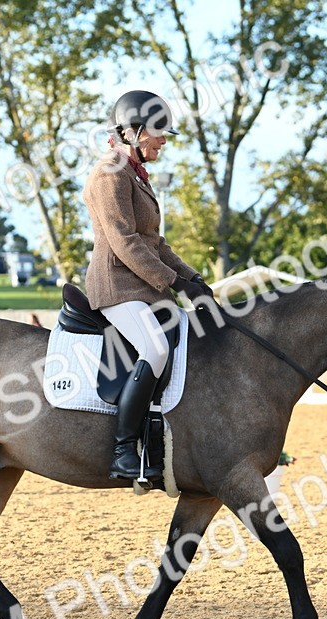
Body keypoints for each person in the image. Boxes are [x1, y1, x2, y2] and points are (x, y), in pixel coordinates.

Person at [82, 90, 213, 481]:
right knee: (154, 348)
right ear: (135, 132)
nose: (164, 141)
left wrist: (192, 279)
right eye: (159, 133)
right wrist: (172, 282)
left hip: (141, 285)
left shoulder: (134, 174)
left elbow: (157, 244)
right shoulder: (110, 173)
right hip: (117, 285)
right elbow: (125, 242)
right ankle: (123, 450)